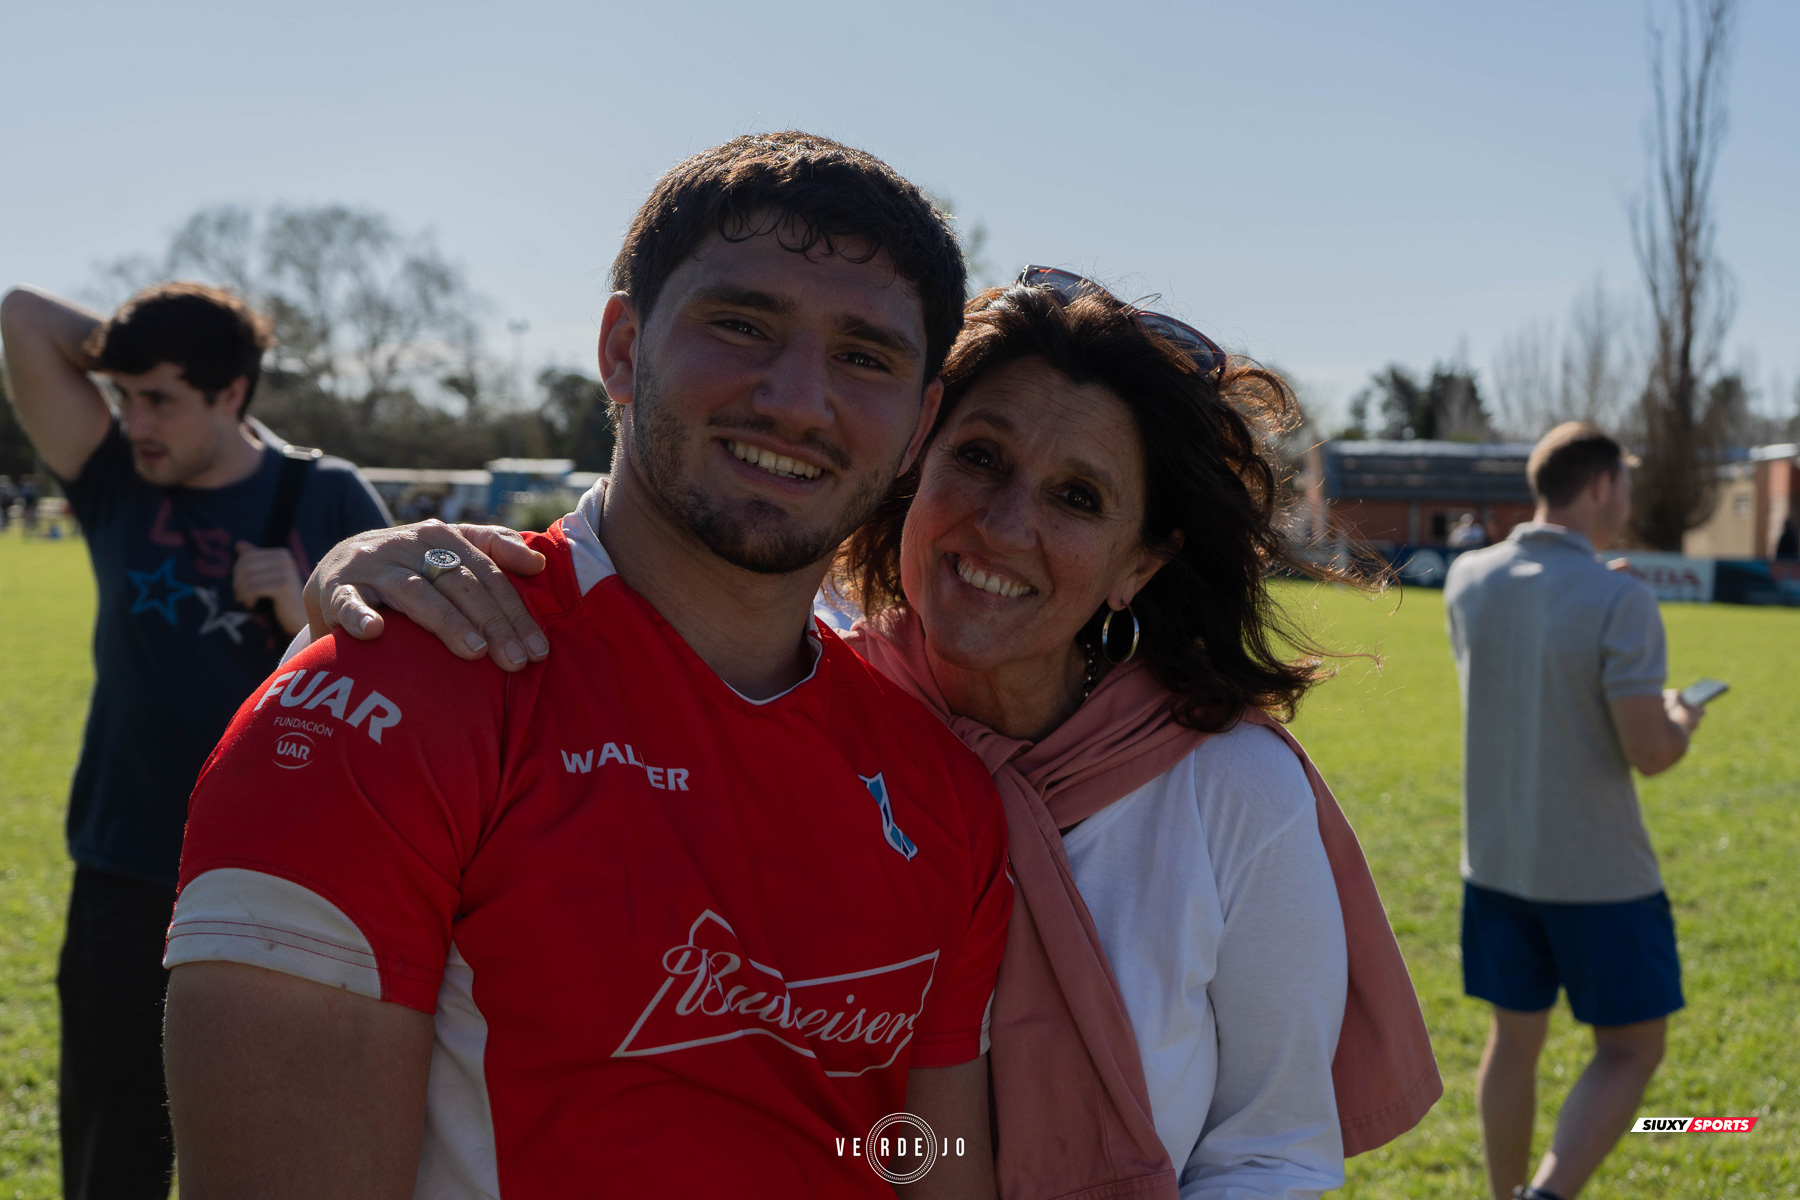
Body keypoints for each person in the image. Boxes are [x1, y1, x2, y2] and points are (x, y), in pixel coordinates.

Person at [308, 268, 1443, 1198]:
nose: (1004, 527)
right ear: (913, 464)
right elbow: (619, 606)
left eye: (1079, 499)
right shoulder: (794, 689)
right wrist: (368, 566)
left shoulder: (1232, 789)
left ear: (1141, 564)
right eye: (981, 459)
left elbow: (1270, 1152)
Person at [162, 132, 1012, 1198]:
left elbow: (928, 1166)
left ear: (920, 420)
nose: (799, 400)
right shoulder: (387, 689)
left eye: (865, 356)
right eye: (741, 324)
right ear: (622, 346)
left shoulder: (943, 792)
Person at [0, 280, 390, 1200]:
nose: (133, 419)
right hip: (126, 869)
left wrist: (309, 599)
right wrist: (141, 345)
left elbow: (426, 677)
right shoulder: (116, 482)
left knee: (274, 1162)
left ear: (232, 393)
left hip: (292, 881)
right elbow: (19, 313)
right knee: (112, 1152)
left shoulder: (325, 496)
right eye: (122, 393)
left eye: (160, 397)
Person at [1443, 423, 1704, 1200]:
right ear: (1600, 486)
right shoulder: (1620, 599)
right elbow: (1650, 751)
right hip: (1599, 876)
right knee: (1630, 1051)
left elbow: (1538, 626)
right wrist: (1683, 716)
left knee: (1512, 1043)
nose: (1625, 497)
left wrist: (1602, 587)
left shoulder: (1467, 577)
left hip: (1495, 865)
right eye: (1623, 483)